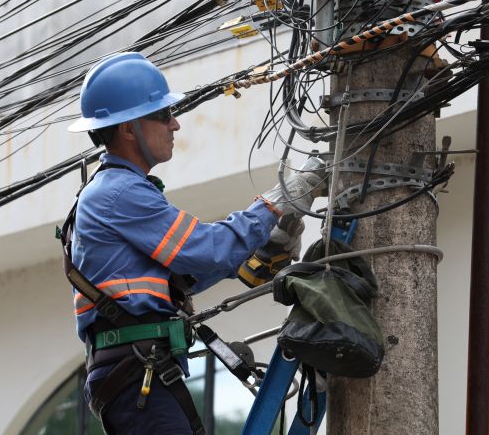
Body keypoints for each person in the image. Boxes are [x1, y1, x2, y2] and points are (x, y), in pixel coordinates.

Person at [63, 52, 324, 435]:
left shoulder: (120, 191)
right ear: (129, 129)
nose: (175, 124)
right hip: (136, 372)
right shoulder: (118, 193)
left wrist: (256, 250)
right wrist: (277, 202)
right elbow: (207, 249)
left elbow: (187, 273)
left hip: (139, 370)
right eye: (162, 115)